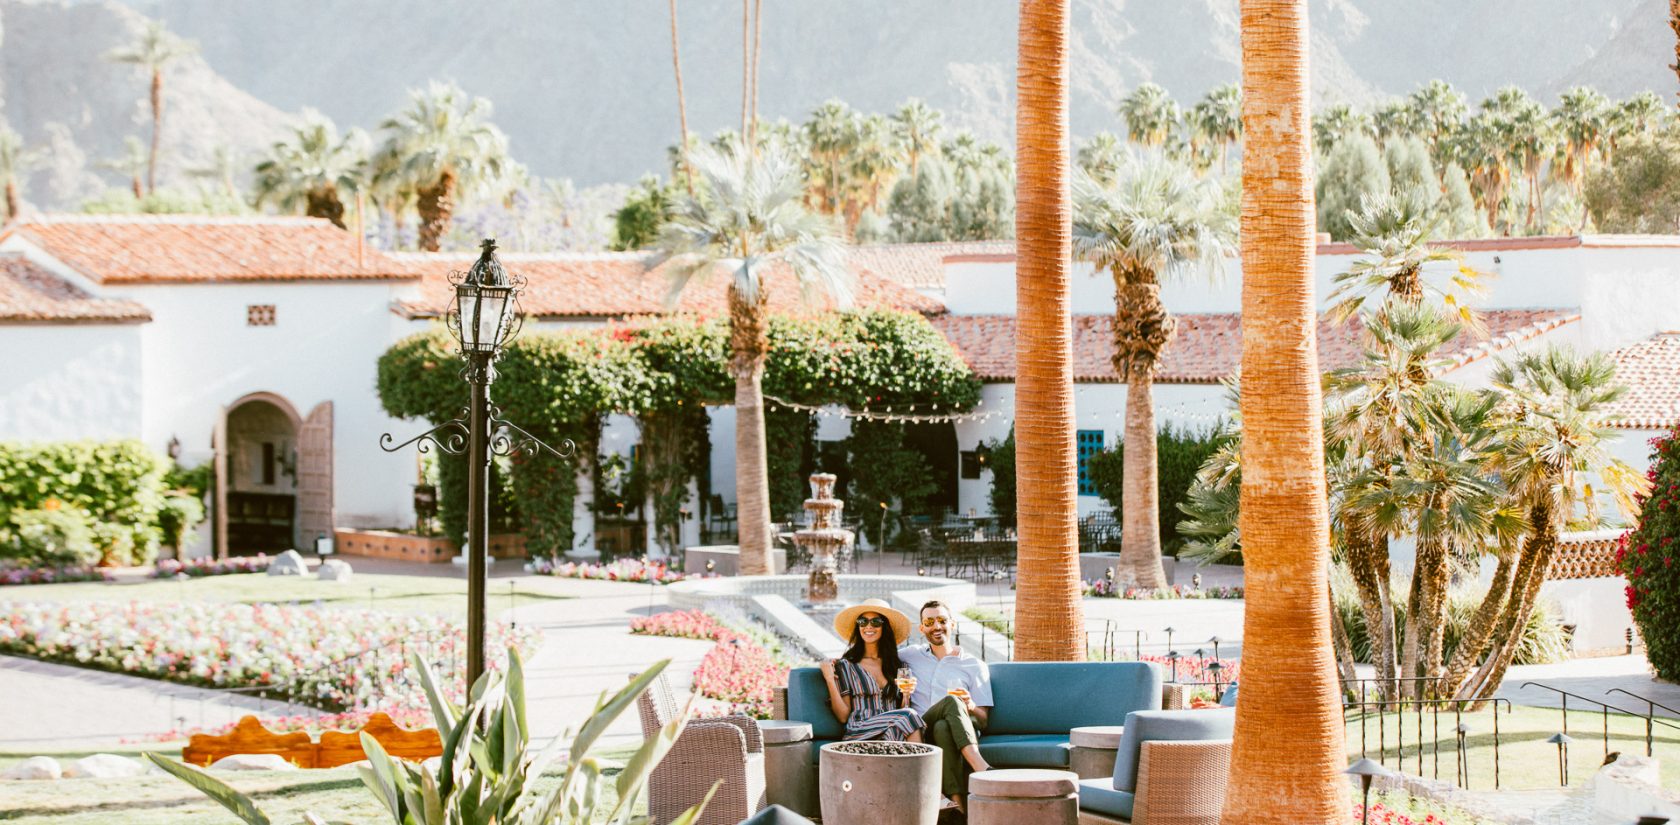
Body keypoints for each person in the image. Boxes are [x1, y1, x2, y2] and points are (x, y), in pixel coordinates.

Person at [900, 599, 993, 814]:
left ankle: (957, 806)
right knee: (951, 701)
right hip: (921, 728)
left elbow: (983, 720)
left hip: (956, 731)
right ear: (921, 628)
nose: (936, 626)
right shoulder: (910, 656)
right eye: (929, 622)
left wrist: (970, 704)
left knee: (943, 726)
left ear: (952, 624)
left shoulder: (974, 665)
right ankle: (981, 767)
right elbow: (876, 655)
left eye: (942, 620)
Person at [819, 598, 924, 741]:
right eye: (863, 621)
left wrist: (906, 694)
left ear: (885, 627)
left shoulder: (899, 667)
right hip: (859, 731)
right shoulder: (846, 665)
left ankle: (903, 756)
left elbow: (903, 711)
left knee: (896, 730)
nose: (868, 626)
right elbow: (843, 716)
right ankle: (923, 756)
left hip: (889, 729)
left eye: (875, 622)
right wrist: (830, 679)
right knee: (909, 714)